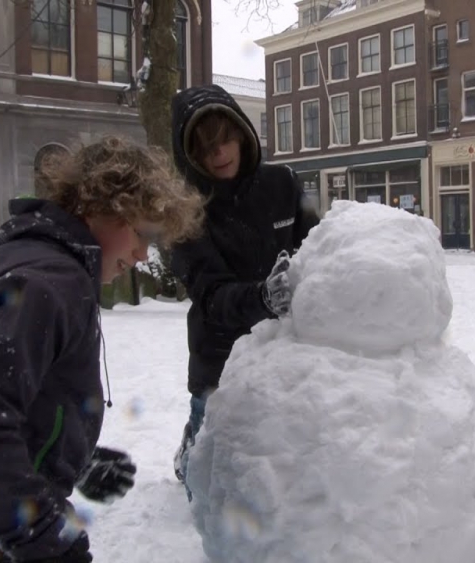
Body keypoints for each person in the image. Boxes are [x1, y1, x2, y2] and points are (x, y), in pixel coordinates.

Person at [0, 136, 205, 562]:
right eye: (142, 233)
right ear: (103, 205)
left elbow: (5, 393)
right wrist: (45, 538)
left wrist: (68, 458)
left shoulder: (38, 259)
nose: (142, 254)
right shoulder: (50, 282)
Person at [168, 84, 320, 493]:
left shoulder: (283, 183)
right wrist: (261, 297)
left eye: (223, 140)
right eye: (203, 149)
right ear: (190, 157)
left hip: (282, 346)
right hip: (219, 359)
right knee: (205, 476)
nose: (217, 154)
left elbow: (318, 244)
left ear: (240, 133)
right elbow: (212, 294)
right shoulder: (184, 213)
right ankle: (190, 445)